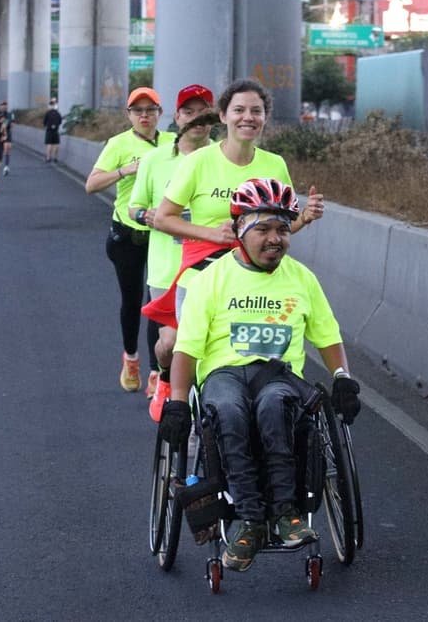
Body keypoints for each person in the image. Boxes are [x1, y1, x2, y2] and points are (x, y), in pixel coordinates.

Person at [157, 177, 362, 573]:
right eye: (263, 228)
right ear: (239, 231)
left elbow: (327, 334)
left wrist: (341, 377)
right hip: (224, 373)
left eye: (283, 229)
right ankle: (250, 520)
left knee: (274, 404)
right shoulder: (210, 280)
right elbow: (187, 348)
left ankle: (286, 514)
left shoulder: (302, 279)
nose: (275, 238)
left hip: (279, 376)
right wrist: (178, 402)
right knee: (229, 411)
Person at [146, 78, 324, 377]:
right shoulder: (198, 162)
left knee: (247, 353)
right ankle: (167, 379)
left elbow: (279, 229)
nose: (248, 118)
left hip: (254, 274)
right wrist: (213, 233)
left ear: (265, 118)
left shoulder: (274, 164)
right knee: (175, 343)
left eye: (256, 111)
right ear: (223, 116)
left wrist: (303, 217)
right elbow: (163, 218)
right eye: (239, 110)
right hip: (203, 268)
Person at [128, 84, 217, 406]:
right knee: (172, 343)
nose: (197, 120)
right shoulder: (155, 161)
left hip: (212, 269)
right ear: (177, 117)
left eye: (204, 114)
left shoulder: (223, 159)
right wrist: (147, 215)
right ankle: (165, 375)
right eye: (189, 112)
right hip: (167, 270)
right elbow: (133, 207)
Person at [84, 87, 174, 392]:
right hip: (127, 235)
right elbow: (91, 184)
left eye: (151, 110)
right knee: (133, 300)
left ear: (161, 114)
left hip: (163, 235)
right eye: (138, 111)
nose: (145, 116)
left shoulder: (173, 143)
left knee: (157, 303)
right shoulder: (118, 144)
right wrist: (125, 170)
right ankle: (131, 359)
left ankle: (154, 374)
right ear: (129, 115)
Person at [43, 98, 62, 164]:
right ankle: (55, 158)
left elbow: (44, 122)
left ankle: (48, 158)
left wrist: (48, 125)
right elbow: (60, 121)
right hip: (56, 130)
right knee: (56, 144)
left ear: (50, 105)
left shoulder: (47, 113)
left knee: (49, 144)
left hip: (49, 130)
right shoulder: (58, 113)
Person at [0, 100, 13, 175]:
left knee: (7, 148)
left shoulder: (9, 114)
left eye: (5, 105)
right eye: (2, 105)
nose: (4, 106)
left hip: (7, 134)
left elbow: (10, 122)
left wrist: (4, 123)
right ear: (0, 106)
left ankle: (6, 166)